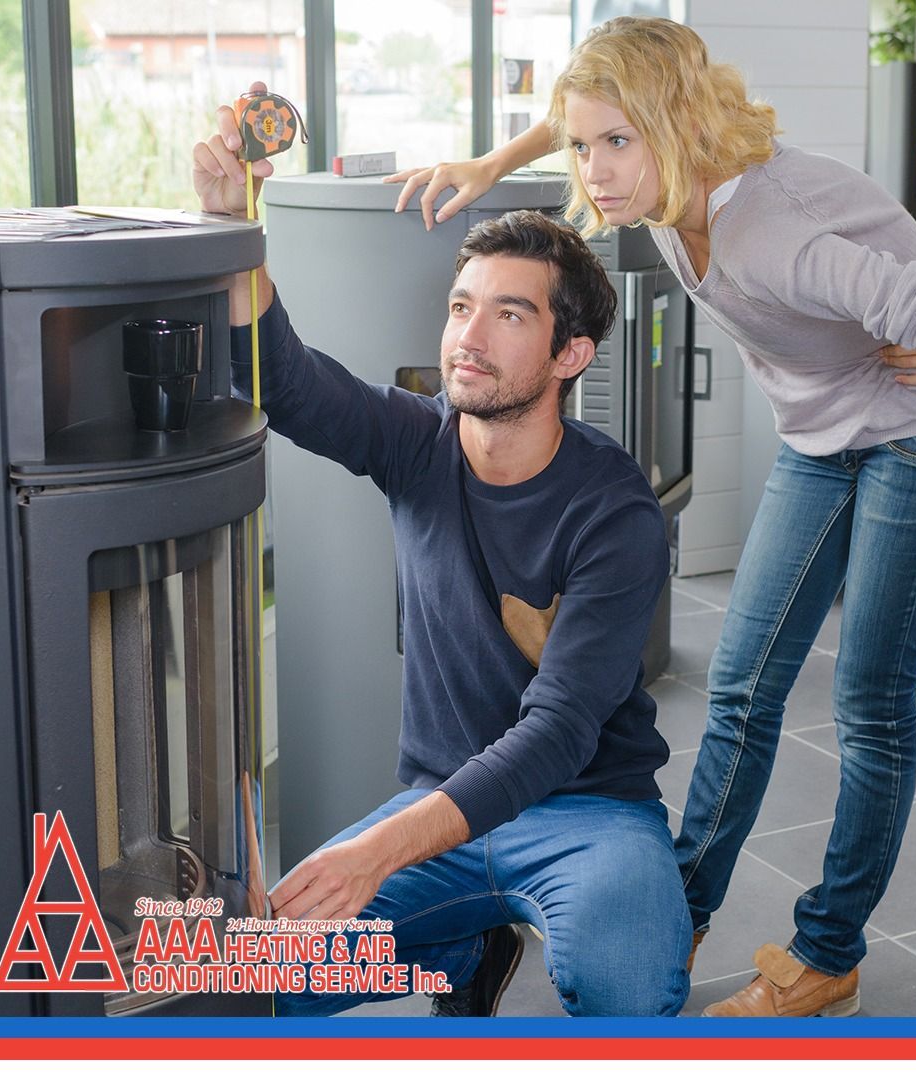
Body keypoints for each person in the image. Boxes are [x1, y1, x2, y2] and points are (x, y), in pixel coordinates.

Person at [389, 16, 916, 1018]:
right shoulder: (664, 179)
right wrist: (495, 156)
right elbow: (583, 122)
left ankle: (827, 953)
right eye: (587, 144)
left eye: (616, 144)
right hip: (826, 437)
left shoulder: (775, 230)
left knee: (869, 701)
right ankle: (678, 908)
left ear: (675, 126)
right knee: (743, 686)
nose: (595, 170)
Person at [192, 93, 692, 1017]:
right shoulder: (416, 441)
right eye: (462, 306)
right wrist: (231, 225)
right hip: (443, 812)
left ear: (571, 351)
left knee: (627, 993)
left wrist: (374, 848)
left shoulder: (615, 512)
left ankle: (469, 939)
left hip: (588, 812)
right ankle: (465, 949)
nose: (468, 335)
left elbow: (557, 736)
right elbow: (285, 382)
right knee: (248, 983)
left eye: (508, 315)